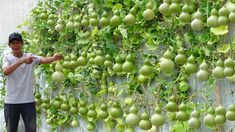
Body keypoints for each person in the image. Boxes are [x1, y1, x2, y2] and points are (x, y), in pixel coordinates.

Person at [2, 32, 63, 132]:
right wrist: (22, 61)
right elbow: (6, 71)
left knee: (31, 130)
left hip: (28, 102)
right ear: (10, 45)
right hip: (11, 102)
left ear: (22, 44)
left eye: (18, 42)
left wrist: (54, 58)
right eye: (13, 43)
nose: (16, 45)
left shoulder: (30, 56)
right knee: (11, 130)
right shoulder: (7, 58)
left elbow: (42, 60)